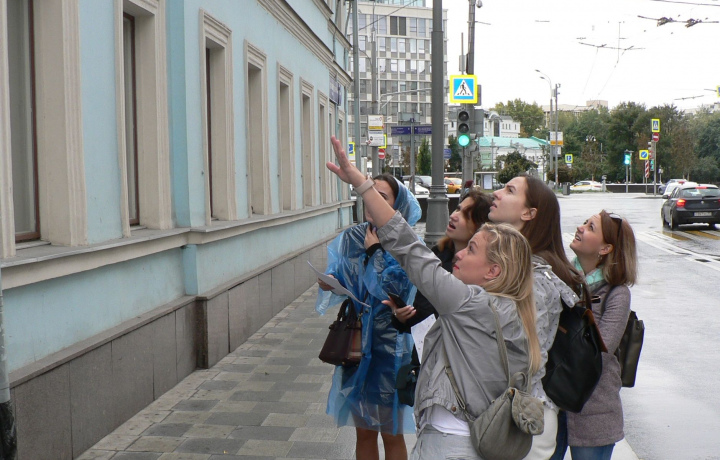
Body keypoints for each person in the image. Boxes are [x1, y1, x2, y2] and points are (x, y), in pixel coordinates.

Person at [327, 136, 542, 460]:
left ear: (493, 271)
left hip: (449, 443)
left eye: (472, 250)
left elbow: (409, 249)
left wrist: (362, 183)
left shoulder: (469, 303)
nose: (460, 255)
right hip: (479, 438)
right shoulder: (515, 307)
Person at [315, 173, 421, 460]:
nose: (371, 201)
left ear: (397, 205)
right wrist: (330, 281)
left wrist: (375, 251)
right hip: (357, 342)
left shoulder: (405, 241)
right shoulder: (353, 237)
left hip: (390, 346)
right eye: (368, 194)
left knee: (391, 431)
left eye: (381, 197)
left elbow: (396, 289)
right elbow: (343, 274)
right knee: (363, 431)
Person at [489, 174, 585, 460]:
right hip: (512, 410)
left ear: (528, 213)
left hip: (523, 416)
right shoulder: (514, 264)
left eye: (509, 190)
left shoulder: (535, 274)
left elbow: (529, 355)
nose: (496, 193)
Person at [550, 210, 638, 460]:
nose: (580, 228)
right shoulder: (560, 278)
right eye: (584, 223)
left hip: (594, 410)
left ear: (605, 248)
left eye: (590, 227)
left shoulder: (617, 293)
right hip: (551, 404)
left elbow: (601, 350)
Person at [391, 189, 493, 327]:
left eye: (466, 215)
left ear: (480, 226)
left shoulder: (479, 271)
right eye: (457, 209)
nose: (454, 216)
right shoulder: (438, 253)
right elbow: (423, 311)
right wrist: (402, 318)